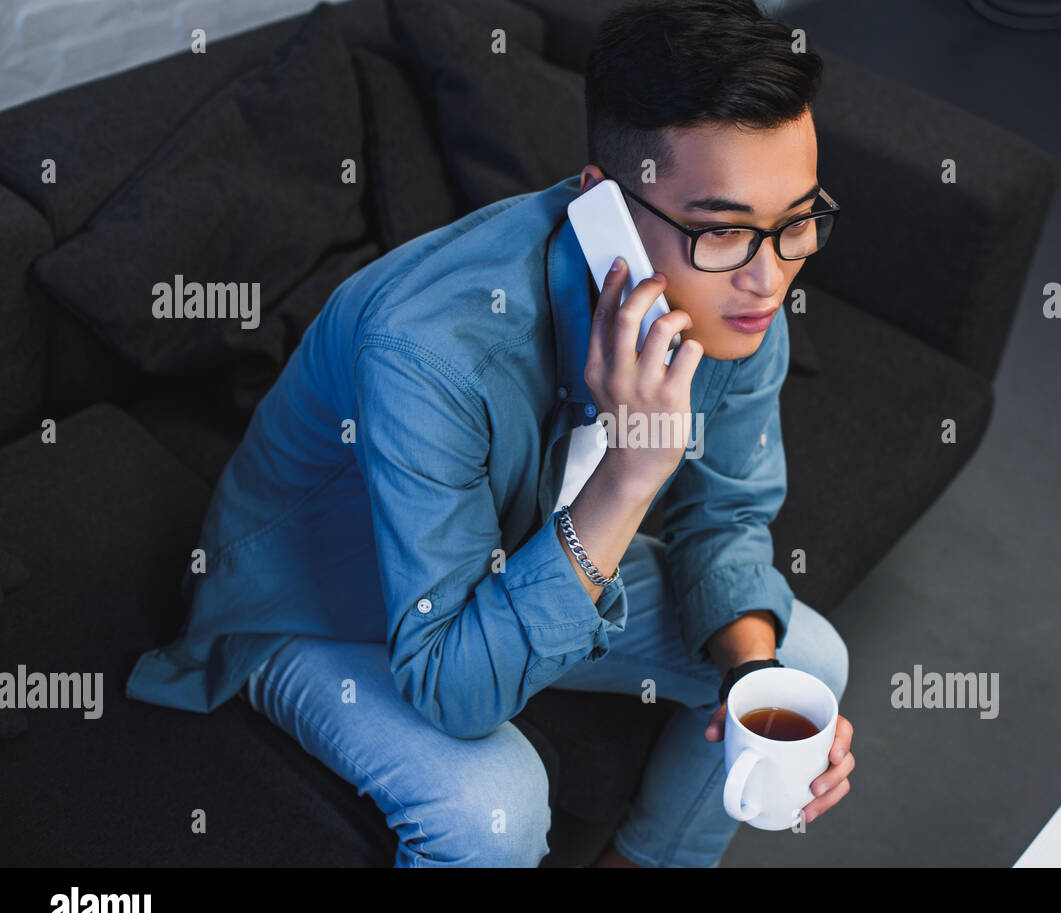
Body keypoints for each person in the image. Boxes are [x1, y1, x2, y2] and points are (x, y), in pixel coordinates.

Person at [125, 0, 854, 867]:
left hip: (521, 550)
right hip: (320, 605)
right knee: (492, 805)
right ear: (606, 209)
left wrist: (753, 689)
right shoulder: (429, 351)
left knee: (801, 658)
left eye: (797, 221)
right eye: (724, 230)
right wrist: (628, 478)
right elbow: (451, 687)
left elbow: (726, 521)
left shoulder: (738, 299)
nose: (769, 279)